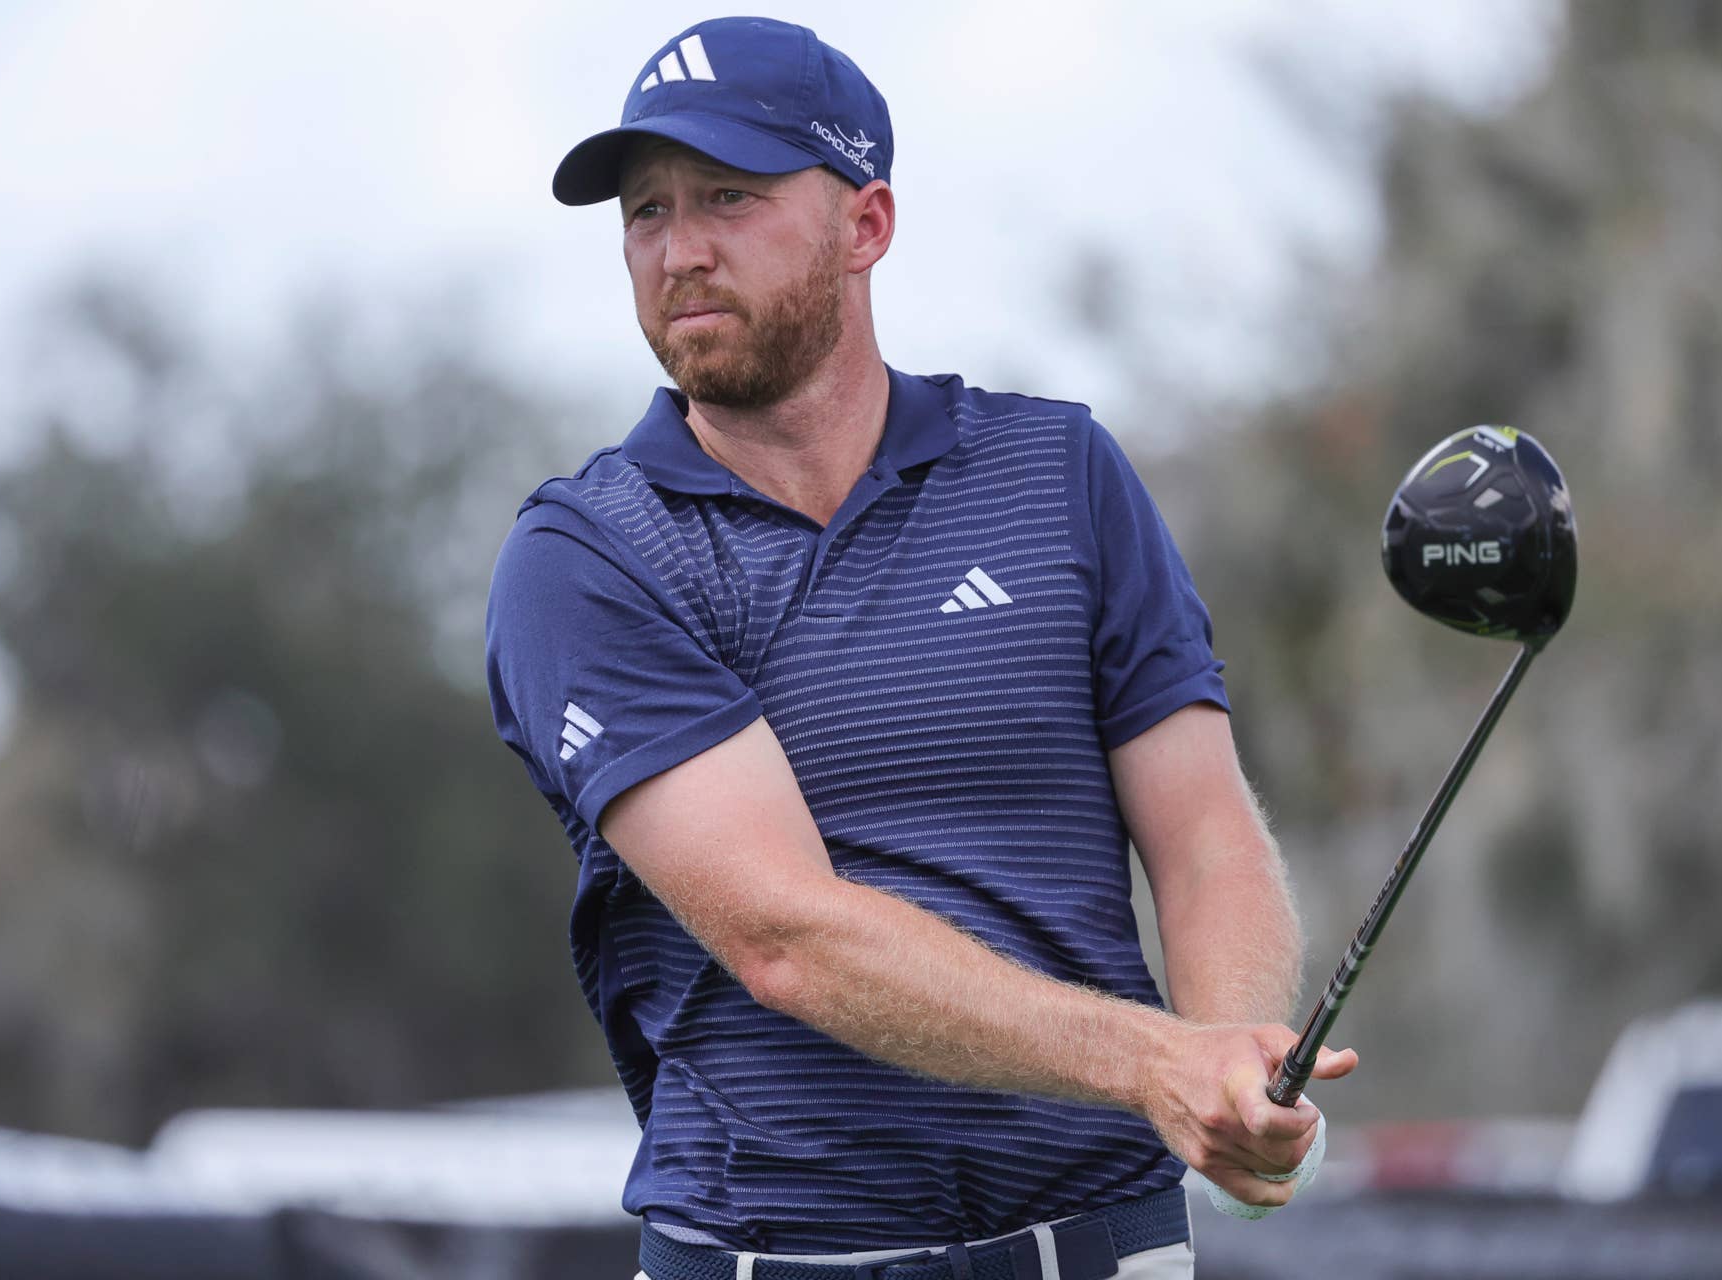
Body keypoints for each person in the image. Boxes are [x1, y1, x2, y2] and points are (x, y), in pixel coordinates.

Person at [484, 16, 1356, 1280]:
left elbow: (1206, 828)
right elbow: (790, 936)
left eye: (727, 195)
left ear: (866, 224)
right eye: (645, 211)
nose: (678, 250)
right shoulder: (587, 557)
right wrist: (1155, 1062)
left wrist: (1232, 1070)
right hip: (767, 1256)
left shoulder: (1060, 472)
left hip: (1106, 1246)